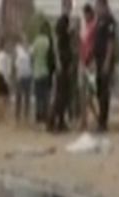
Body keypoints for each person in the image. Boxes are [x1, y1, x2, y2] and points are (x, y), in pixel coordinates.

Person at [49, 0, 77, 131]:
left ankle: (60, 121)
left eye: (70, 6)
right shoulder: (62, 22)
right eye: (67, 5)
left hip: (66, 61)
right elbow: (56, 42)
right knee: (60, 94)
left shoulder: (67, 22)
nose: (69, 8)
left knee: (65, 94)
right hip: (62, 62)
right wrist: (58, 61)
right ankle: (52, 121)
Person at [90, 0, 117, 132]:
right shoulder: (98, 21)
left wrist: (107, 61)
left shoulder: (109, 21)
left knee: (104, 92)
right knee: (99, 91)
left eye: (97, 6)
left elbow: (111, 42)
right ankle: (100, 120)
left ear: (103, 6)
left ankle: (103, 122)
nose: (95, 9)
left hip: (105, 61)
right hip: (98, 60)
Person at [31, 23, 53, 125]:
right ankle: (45, 115)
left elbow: (32, 55)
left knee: (38, 95)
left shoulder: (36, 41)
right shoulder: (48, 41)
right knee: (46, 95)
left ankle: (38, 115)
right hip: (46, 72)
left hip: (37, 72)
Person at [13, 39, 33, 122]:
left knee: (27, 97)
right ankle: (17, 116)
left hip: (27, 76)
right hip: (20, 76)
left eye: (27, 42)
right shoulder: (19, 50)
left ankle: (26, 116)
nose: (26, 44)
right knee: (19, 97)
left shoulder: (30, 51)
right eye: (24, 42)